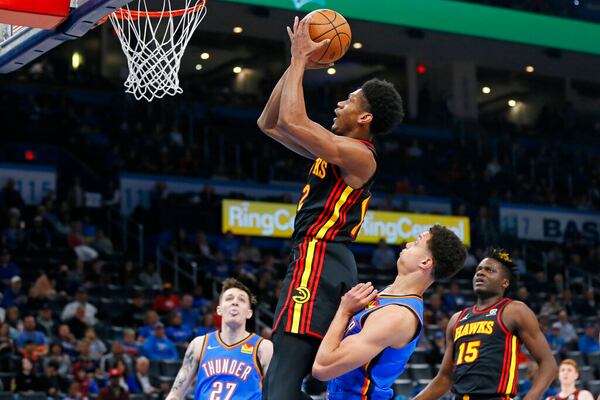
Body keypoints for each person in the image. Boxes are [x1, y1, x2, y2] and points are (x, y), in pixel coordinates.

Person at [257, 15, 403, 400]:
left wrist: (302, 59)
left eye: (349, 100)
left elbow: (292, 117)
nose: (339, 103)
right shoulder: (336, 149)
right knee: (279, 382)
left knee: (281, 383)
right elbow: (271, 123)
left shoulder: (359, 156)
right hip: (313, 259)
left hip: (321, 260)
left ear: (365, 118)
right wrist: (294, 65)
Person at [311, 225, 467, 399]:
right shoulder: (388, 295)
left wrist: (343, 311)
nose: (407, 244)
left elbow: (322, 369)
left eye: (416, 243)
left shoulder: (397, 316)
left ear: (425, 262)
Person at [414, 249, 558, 400]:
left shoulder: (514, 311)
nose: (480, 273)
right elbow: (445, 378)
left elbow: (549, 365)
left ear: (505, 282)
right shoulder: (456, 319)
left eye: (489, 270)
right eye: (478, 270)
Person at [165, 278, 273, 400]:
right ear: (219, 310)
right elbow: (175, 395)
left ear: (249, 313)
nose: (235, 302)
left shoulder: (263, 347)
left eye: (241, 300)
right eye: (229, 298)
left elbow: (277, 393)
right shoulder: (199, 344)